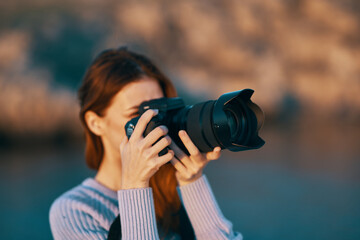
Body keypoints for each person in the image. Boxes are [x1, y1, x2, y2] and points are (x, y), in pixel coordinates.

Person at [49, 47, 243, 240]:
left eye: (160, 111)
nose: (155, 124)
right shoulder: (75, 210)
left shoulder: (174, 196)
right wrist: (135, 187)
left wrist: (192, 183)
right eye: (138, 114)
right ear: (95, 123)